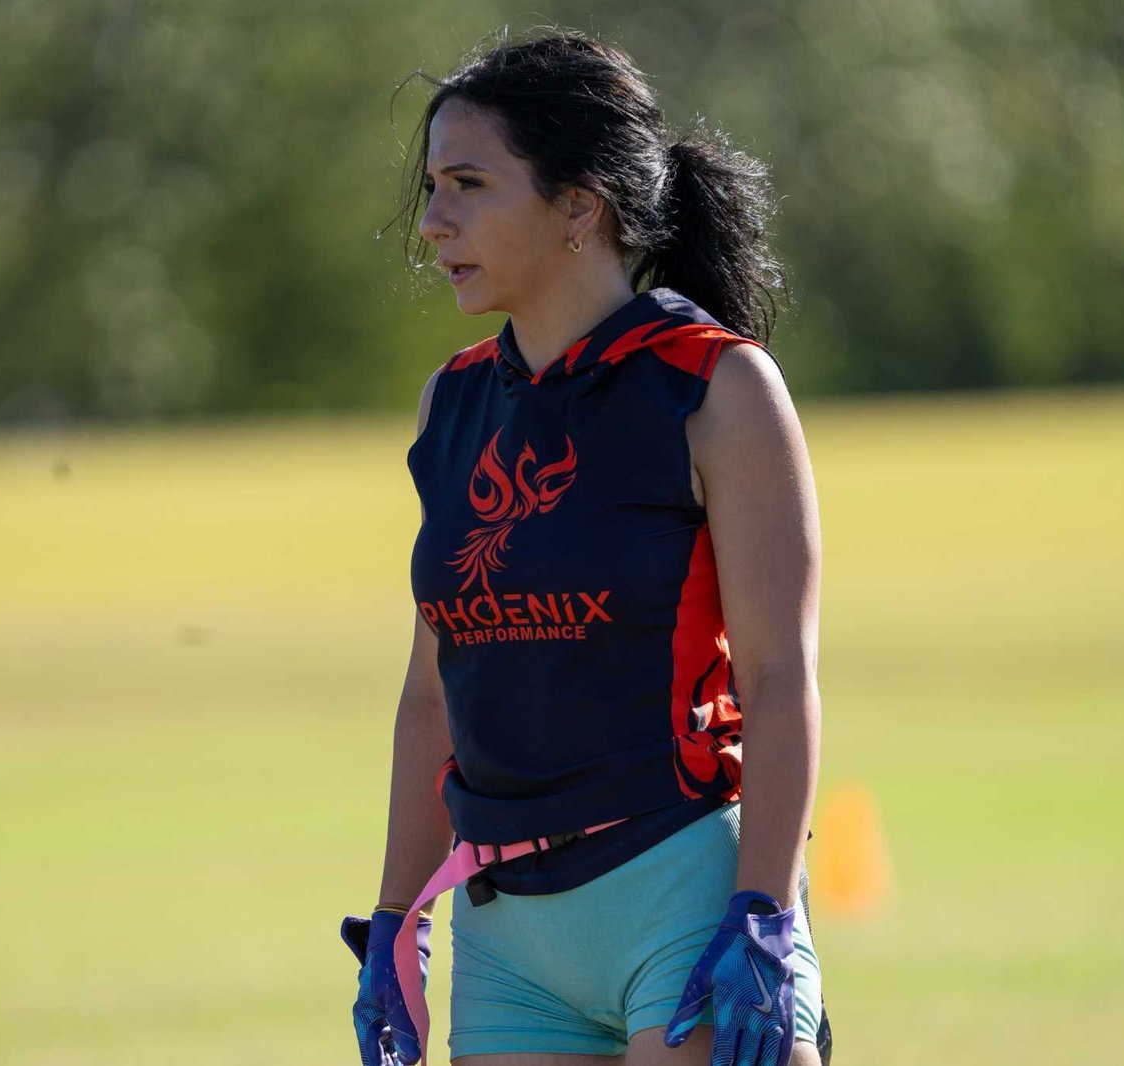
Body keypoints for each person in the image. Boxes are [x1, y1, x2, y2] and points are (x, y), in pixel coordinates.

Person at [340, 30, 829, 1066]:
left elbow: (780, 679)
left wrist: (765, 913)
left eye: (469, 185)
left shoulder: (715, 386)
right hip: (507, 935)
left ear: (579, 204)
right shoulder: (453, 401)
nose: (432, 222)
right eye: (431, 188)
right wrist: (394, 918)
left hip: (685, 903)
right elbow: (432, 694)